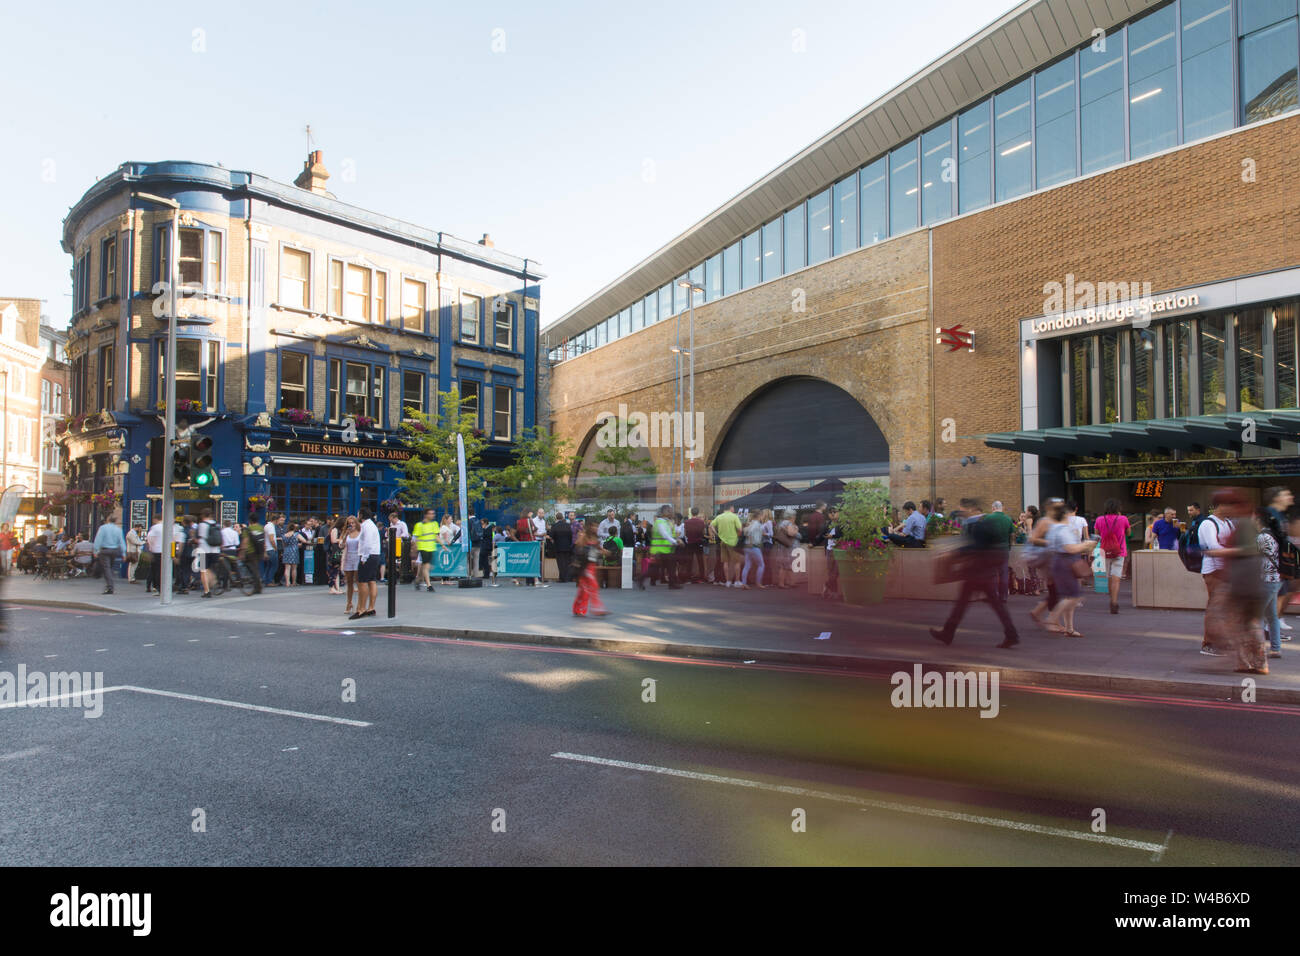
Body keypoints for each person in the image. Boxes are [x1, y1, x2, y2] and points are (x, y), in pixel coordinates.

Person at [930, 501, 1020, 648]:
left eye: (963, 509)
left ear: (972, 509)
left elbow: (977, 546)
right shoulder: (987, 522)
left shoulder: (979, 525)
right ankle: (1011, 634)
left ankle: (948, 633)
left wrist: (955, 553)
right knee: (994, 605)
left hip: (977, 571)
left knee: (963, 604)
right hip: (986, 570)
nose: (962, 513)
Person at [1041, 500, 1098, 637]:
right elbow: (1070, 548)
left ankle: (1069, 628)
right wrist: (1086, 545)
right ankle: (1052, 619)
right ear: (1065, 515)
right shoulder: (1063, 530)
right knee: (1074, 596)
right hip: (1066, 562)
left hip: (1058, 562)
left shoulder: (1054, 528)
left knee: (1069, 596)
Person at [1198, 492, 1237, 658]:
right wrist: (1237, 551)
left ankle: (1221, 641)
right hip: (1213, 570)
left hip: (1226, 570)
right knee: (1214, 607)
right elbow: (1213, 546)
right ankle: (1209, 643)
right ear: (1218, 506)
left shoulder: (1227, 522)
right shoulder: (1208, 524)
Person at [1256, 507, 1284, 661]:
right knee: (1272, 616)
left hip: (1266, 580)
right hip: (1276, 580)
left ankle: (1258, 650)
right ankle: (1275, 648)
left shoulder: (1262, 537)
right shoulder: (1273, 534)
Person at [1094, 500, 1131, 615]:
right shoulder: (1123, 519)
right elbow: (1129, 533)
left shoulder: (1099, 519)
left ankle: (1111, 599)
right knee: (1116, 577)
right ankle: (1114, 602)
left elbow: (1097, 534)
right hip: (1119, 551)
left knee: (1109, 576)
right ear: (1118, 508)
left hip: (1105, 551)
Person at [572, 518, 608, 617]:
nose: (596, 528)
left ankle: (577, 608)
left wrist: (605, 552)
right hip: (584, 567)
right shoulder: (584, 536)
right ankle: (597, 608)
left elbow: (599, 549)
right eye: (594, 526)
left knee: (584, 590)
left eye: (597, 526)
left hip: (592, 566)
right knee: (594, 586)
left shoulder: (595, 539)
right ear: (589, 527)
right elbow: (577, 547)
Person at [983, 501, 1015, 603]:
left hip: (991, 550)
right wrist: (1009, 546)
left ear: (993, 508)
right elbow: (1012, 535)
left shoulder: (988, 518)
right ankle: (1004, 596)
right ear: (1002, 508)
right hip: (1004, 549)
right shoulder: (1008, 519)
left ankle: (993, 596)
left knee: (992, 574)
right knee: (1004, 573)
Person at [352, 508, 381, 619]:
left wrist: (364, 557)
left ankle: (362, 609)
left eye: (358, 514)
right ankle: (371, 608)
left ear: (362, 515)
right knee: (372, 581)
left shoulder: (366, 526)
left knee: (362, 582)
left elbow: (367, 543)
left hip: (368, 556)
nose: (357, 515)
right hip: (374, 555)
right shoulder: (371, 525)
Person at [644, 505, 681, 589]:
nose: (670, 512)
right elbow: (665, 535)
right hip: (660, 550)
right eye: (669, 511)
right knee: (659, 568)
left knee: (665, 567)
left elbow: (669, 534)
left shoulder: (665, 521)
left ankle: (672, 583)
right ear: (664, 512)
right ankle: (641, 578)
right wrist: (675, 542)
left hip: (664, 549)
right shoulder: (660, 522)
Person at [710, 502, 743, 588]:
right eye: (733, 508)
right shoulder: (734, 516)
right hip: (733, 542)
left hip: (722, 542)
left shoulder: (719, 517)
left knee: (725, 562)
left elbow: (711, 525)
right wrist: (738, 536)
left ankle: (728, 581)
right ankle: (737, 581)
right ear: (731, 508)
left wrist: (716, 534)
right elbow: (740, 529)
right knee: (737, 562)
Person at [92, 515, 126, 594]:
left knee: (106, 568)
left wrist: (95, 551)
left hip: (105, 550)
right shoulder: (118, 529)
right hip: (115, 550)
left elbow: (98, 539)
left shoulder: (103, 528)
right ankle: (110, 582)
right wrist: (124, 553)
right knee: (109, 568)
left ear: (108, 520)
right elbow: (121, 541)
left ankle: (110, 587)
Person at [194, 508, 220, 598]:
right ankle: (214, 579)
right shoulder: (216, 524)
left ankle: (206, 591)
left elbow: (197, 538)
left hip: (203, 550)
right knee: (209, 569)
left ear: (202, 515)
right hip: (216, 550)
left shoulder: (201, 525)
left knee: (203, 571)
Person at [738, 512, 767, 589]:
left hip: (746, 546)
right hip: (753, 546)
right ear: (759, 516)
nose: (763, 517)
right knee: (761, 565)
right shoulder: (757, 524)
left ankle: (744, 583)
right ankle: (758, 582)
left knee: (747, 565)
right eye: (762, 516)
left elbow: (746, 531)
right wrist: (751, 541)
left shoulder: (750, 523)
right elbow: (750, 532)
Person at [412, 509, 438, 593]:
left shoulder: (434, 524)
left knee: (426, 567)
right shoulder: (419, 525)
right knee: (426, 566)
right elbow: (415, 538)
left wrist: (444, 545)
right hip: (423, 548)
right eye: (430, 514)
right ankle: (429, 585)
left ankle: (418, 580)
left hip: (431, 548)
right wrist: (415, 548)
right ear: (426, 515)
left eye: (433, 513)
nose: (432, 515)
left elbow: (436, 536)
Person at [340, 516, 361, 614]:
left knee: (358, 581)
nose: (351, 525)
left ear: (356, 523)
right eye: (349, 523)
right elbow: (341, 546)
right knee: (349, 582)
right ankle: (349, 603)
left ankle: (360, 605)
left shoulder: (360, 533)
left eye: (353, 523)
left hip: (357, 557)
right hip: (348, 557)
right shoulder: (346, 534)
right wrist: (345, 536)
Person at [683, 507, 708, 583]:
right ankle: (702, 578)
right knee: (700, 561)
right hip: (698, 542)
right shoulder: (701, 522)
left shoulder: (686, 522)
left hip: (690, 543)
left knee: (689, 561)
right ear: (697, 513)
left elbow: (685, 533)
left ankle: (688, 579)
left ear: (691, 513)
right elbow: (703, 533)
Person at [550, 512, 574, 584]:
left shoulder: (554, 526)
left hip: (558, 547)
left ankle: (562, 578)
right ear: (562, 517)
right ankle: (567, 577)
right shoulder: (568, 525)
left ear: (556, 518)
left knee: (560, 563)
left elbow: (551, 536)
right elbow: (571, 536)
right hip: (567, 546)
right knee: (567, 562)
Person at [261, 513, 279, 586]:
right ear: (276, 520)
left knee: (268, 566)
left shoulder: (266, 526)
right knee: (274, 566)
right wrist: (275, 548)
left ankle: (265, 580)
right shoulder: (271, 527)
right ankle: (269, 581)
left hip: (267, 549)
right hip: (271, 549)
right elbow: (271, 539)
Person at [281, 523, 301, 587]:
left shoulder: (284, 535)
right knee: (294, 568)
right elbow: (304, 540)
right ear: (294, 528)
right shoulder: (296, 534)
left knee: (287, 568)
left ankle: (287, 582)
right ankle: (294, 582)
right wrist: (298, 544)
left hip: (286, 551)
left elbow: (283, 545)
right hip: (294, 551)